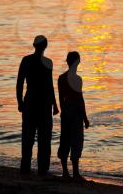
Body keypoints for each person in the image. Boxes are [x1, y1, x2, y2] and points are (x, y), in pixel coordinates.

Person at [16, 35, 59, 176]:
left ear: (35, 45)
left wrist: (20, 102)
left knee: (29, 137)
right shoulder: (47, 62)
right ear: (45, 46)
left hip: (32, 102)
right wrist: (54, 104)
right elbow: (49, 86)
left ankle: (26, 167)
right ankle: (42, 169)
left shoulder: (27, 60)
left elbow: (20, 83)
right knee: (44, 138)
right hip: (43, 104)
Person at [57, 51, 90, 181]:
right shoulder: (77, 79)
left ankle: (65, 172)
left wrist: (62, 110)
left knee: (64, 141)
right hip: (75, 112)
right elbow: (79, 99)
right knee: (76, 141)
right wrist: (85, 118)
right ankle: (75, 173)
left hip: (65, 111)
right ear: (77, 62)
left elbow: (60, 97)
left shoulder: (61, 78)